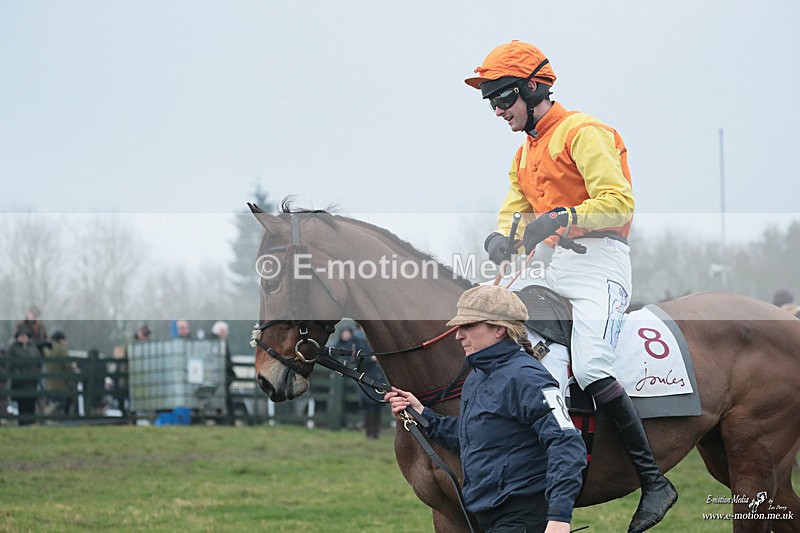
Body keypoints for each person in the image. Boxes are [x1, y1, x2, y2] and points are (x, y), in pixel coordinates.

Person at [467, 40, 676, 532]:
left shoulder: (584, 132)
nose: (497, 111)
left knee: (591, 362)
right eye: (491, 102)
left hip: (601, 265)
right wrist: (503, 236)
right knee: (514, 342)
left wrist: (563, 218)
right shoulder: (524, 154)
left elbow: (619, 203)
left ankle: (654, 481)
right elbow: (513, 212)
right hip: (553, 268)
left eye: (502, 99)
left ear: (533, 88)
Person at [386, 285, 586, 533]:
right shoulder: (476, 378)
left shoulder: (527, 377)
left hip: (522, 518)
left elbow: (567, 444)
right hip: (488, 516)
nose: (458, 335)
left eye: (468, 326)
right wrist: (422, 414)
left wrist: (559, 517)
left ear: (499, 329)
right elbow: (472, 435)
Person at [334, 325, 385, 439]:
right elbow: (354, 358)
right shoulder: (356, 340)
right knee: (369, 406)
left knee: (377, 405)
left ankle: (375, 433)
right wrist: (370, 359)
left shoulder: (374, 337)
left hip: (377, 376)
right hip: (365, 377)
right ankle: (370, 433)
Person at [7, 328, 42, 425]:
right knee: (22, 403)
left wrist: (37, 374)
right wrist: (16, 373)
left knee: (31, 403)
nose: (23, 338)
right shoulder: (13, 349)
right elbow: (9, 364)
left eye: (25, 336)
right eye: (21, 337)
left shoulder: (33, 348)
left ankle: (31, 422)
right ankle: (22, 422)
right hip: (19, 382)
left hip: (32, 381)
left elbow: (39, 362)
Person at [43, 330, 74, 416]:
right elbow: (67, 365)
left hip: (49, 384)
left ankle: (48, 417)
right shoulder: (62, 349)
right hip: (61, 383)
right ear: (60, 340)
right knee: (62, 404)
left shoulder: (47, 349)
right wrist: (73, 371)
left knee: (52, 402)